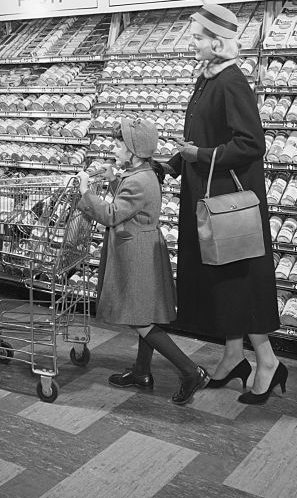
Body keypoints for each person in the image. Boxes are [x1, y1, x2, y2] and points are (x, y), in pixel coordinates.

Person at [166, 1, 286, 405]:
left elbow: (252, 144)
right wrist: (171, 165)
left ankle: (266, 359)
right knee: (221, 280)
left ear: (217, 42)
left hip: (227, 203)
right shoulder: (207, 78)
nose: (192, 44)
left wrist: (200, 156)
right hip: (208, 198)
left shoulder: (231, 81)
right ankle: (235, 354)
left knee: (237, 281)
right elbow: (199, 136)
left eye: (198, 38)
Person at [77, 118, 209, 405]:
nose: (114, 147)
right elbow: (128, 206)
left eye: (119, 143)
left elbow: (112, 214)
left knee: (140, 319)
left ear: (134, 150)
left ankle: (190, 371)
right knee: (143, 313)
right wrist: (113, 179)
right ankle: (141, 371)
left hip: (135, 253)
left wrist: (85, 193)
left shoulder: (138, 180)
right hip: (141, 246)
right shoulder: (142, 174)